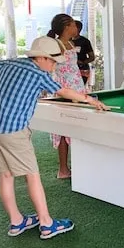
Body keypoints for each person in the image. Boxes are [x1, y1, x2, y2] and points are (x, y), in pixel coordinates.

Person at [0, 36, 107, 240]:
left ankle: (17, 221)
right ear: (42, 58)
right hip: (13, 131)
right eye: (53, 61)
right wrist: (89, 99)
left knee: (6, 175)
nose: (54, 66)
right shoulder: (39, 74)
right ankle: (46, 224)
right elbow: (63, 91)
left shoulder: (12, 63)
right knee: (32, 174)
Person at [48, 14, 86, 179]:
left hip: (77, 89)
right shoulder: (56, 45)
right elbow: (51, 68)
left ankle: (78, 165)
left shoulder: (70, 43)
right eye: (73, 24)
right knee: (63, 130)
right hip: (64, 91)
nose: (76, 27)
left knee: (77, 127)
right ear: (66, 27)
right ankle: (63, 169)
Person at [73, 20, 95, 85]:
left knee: (80, 86)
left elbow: (92, 57)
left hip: (82, 69)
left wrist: (82, 62)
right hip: (69, 69)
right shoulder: (67, 41)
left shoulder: (85, 41)